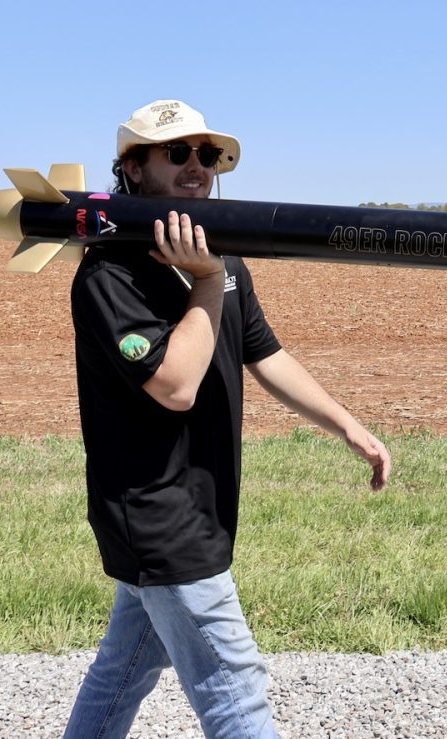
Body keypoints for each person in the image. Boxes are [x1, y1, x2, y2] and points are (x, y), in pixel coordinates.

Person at [64, 99, 391, 738]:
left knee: (122, 671)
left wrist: (348, 426)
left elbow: (265, 354)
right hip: (158, 516)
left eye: (207, 155)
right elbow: (176, 385)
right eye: (178, 153)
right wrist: (207, 283)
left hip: (199, 506)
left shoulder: (221, 258)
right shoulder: (110, 275)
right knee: (235, 690)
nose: (197, 167)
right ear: (133, 167)